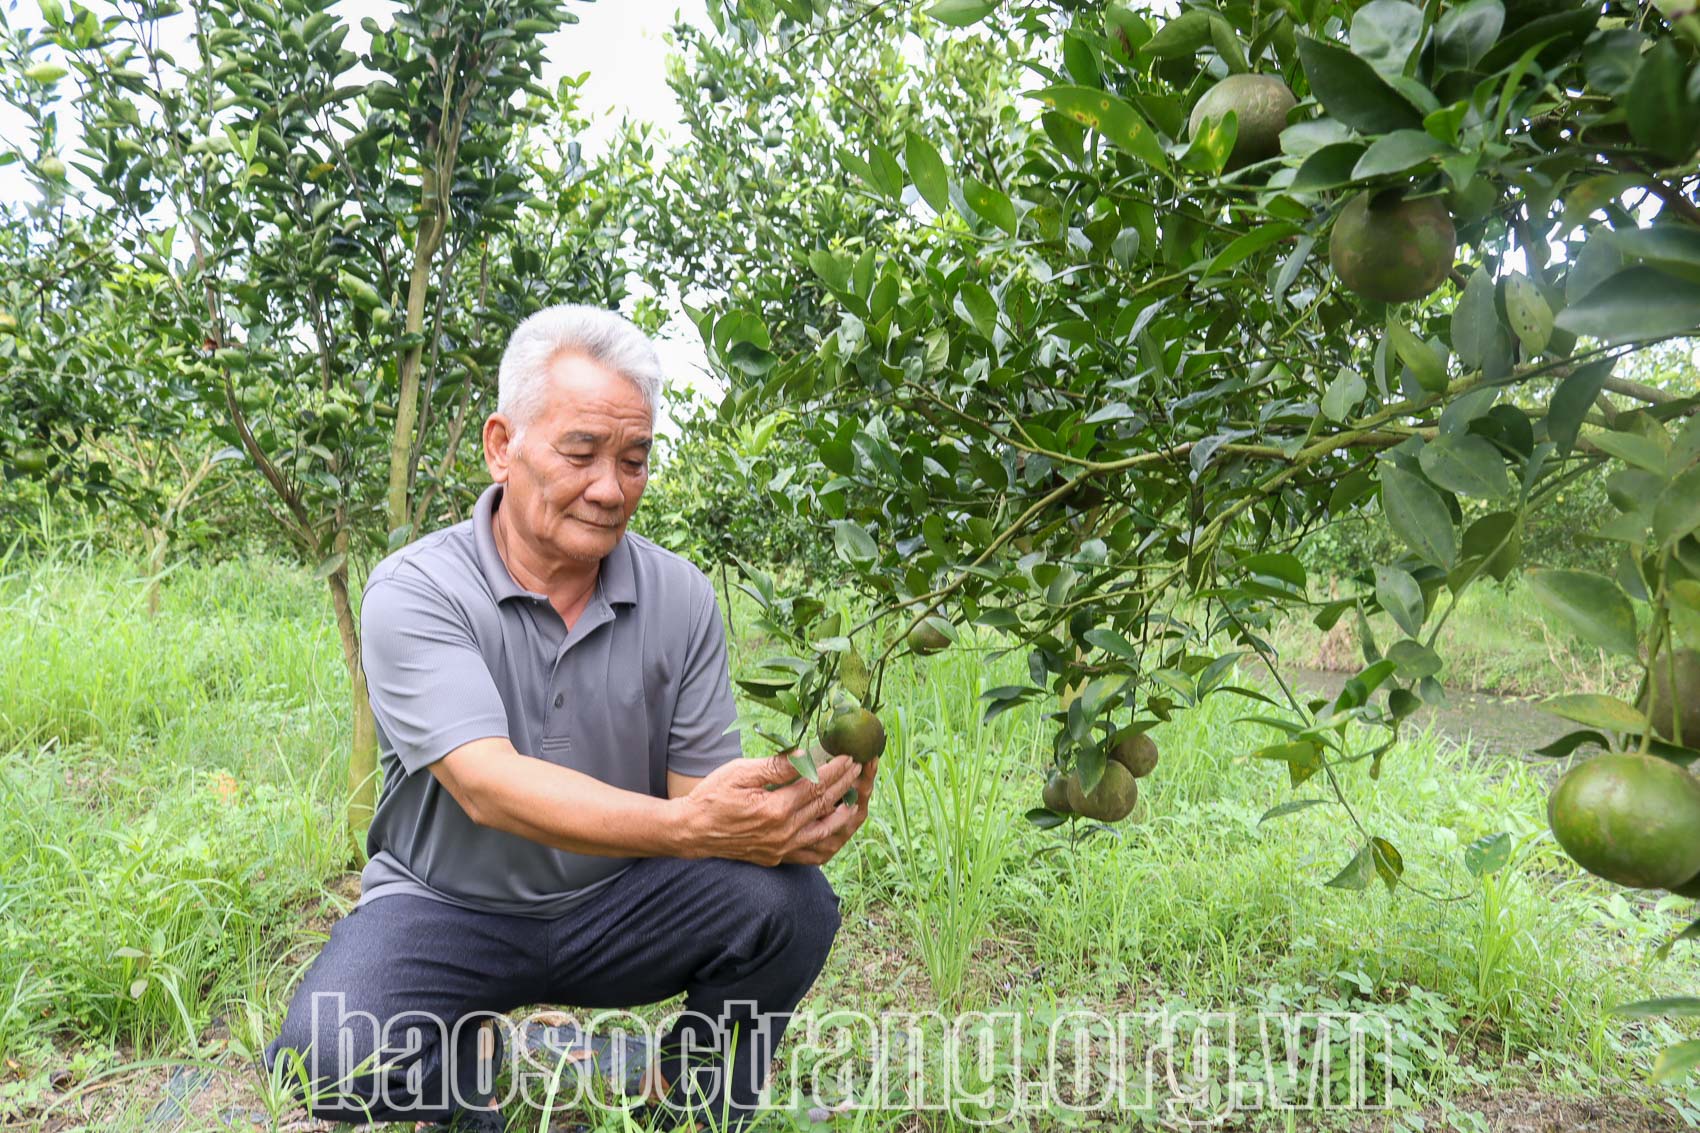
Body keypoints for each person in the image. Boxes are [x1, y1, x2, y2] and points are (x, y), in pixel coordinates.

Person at [263, 304, 878, 1132]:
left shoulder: (681, 598)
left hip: (618, 904)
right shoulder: (417, 589)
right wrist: (695, 824)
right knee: (325, 1057)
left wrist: (780, 816)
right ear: (501, 445)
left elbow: (701, 802)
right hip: (446, 907)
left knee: (792, 904)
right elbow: (488, 784)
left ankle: (681, 1099)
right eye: (581, 452)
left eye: (634, 458)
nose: (610, 486)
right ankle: (473, 1072)